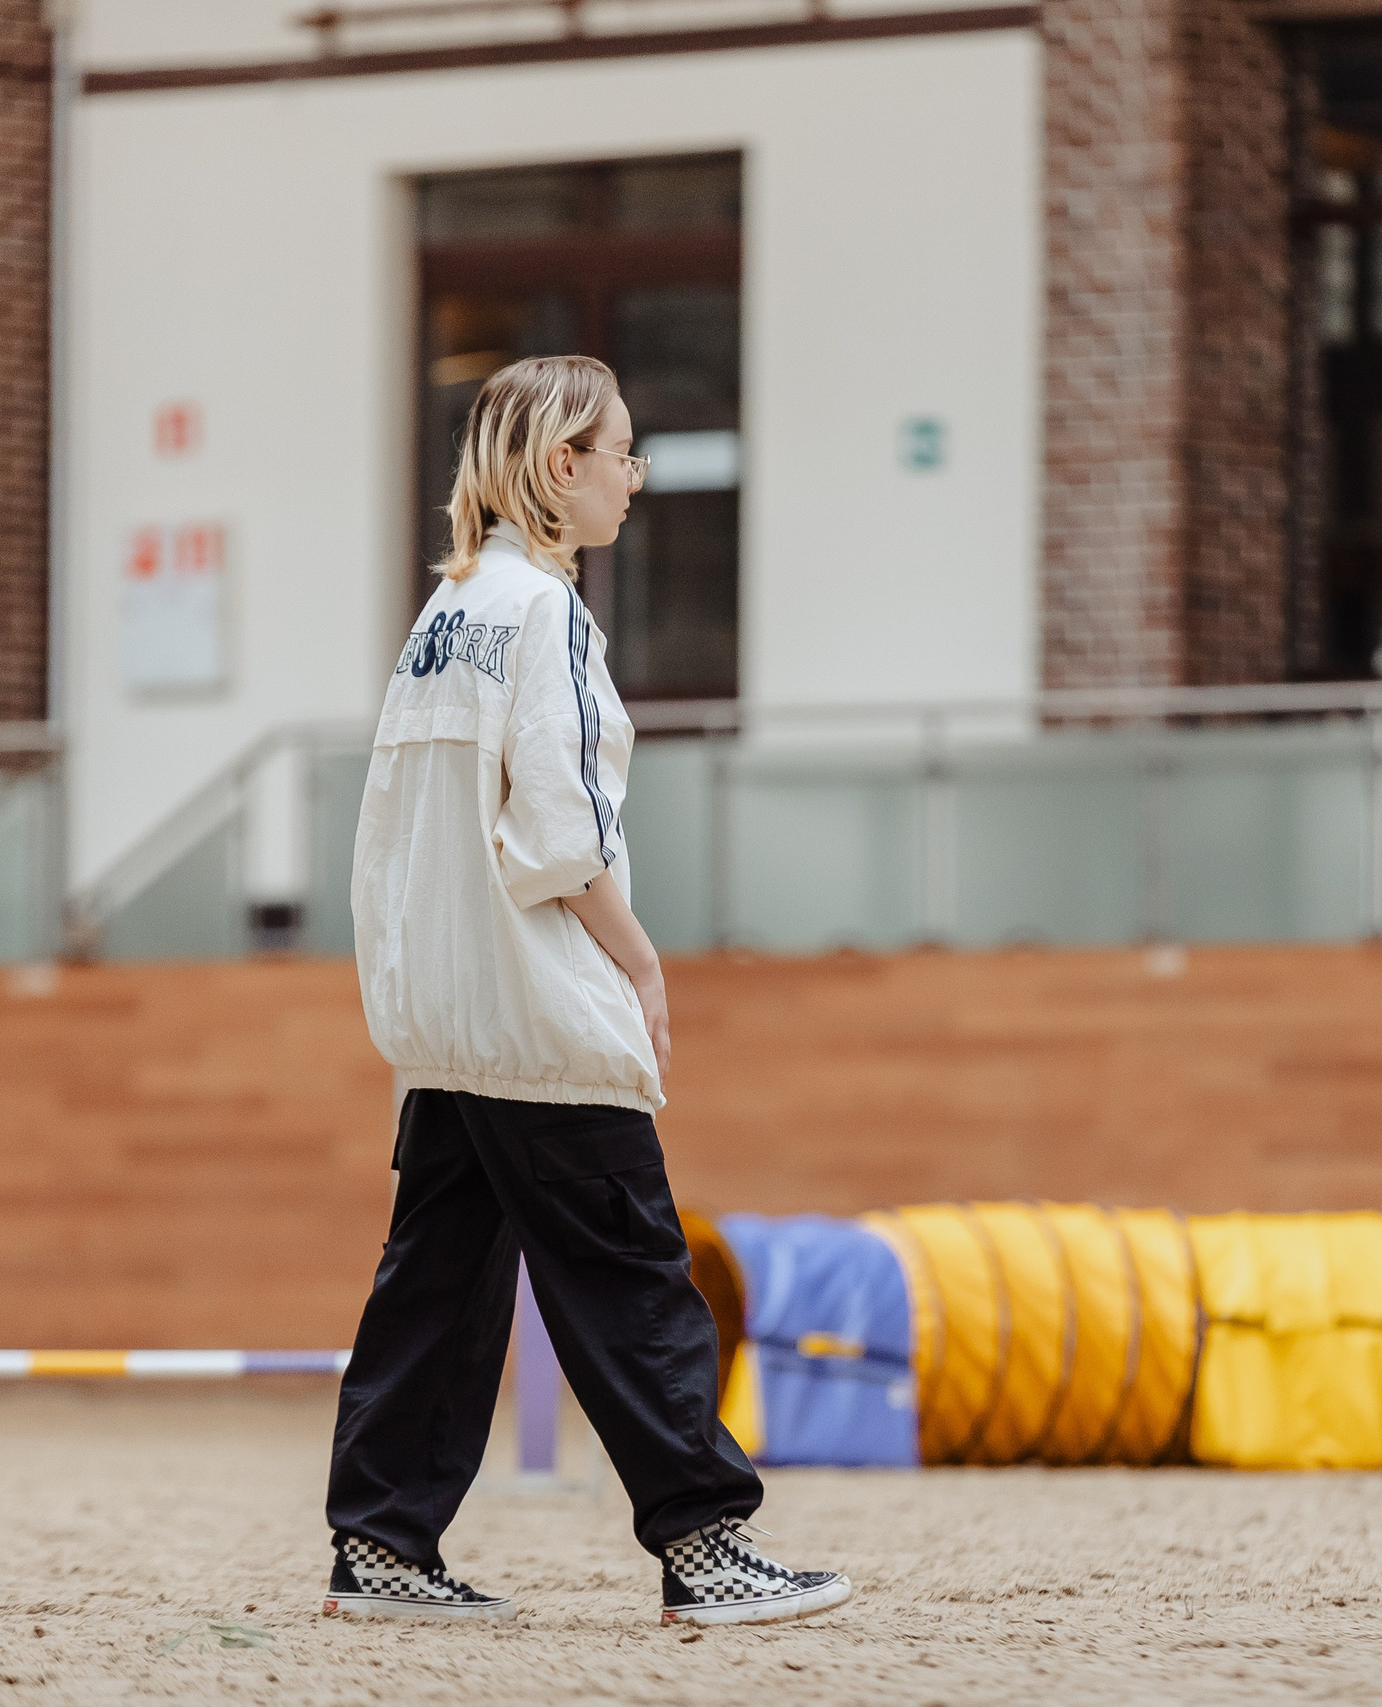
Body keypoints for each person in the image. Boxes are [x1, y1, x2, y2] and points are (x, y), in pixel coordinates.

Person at [319, 353, 852, 1628]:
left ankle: (383, 1546)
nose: (635, 475)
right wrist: (640, 957)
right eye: (622, 451)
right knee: (630, 1273)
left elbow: (399, 830)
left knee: (436, 1282)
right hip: (534, 1007)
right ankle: (707, 1545)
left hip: (442, 1015)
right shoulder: (546, 614)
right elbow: (558, 831)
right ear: (563, 466)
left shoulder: (442, 615)